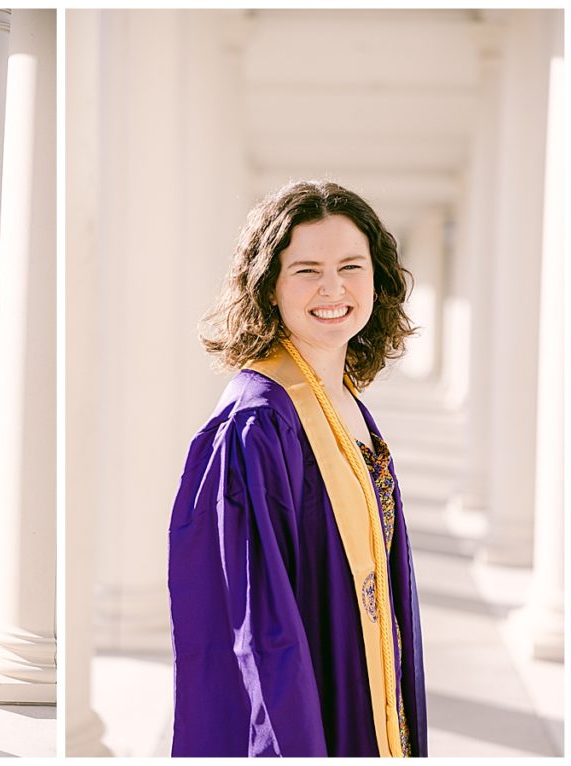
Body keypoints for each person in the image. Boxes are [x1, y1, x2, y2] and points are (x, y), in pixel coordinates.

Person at [168, 180, 427, 756]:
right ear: (270, 286)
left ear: (377, 278)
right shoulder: (258, 424)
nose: (333, 288)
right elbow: (259, 635)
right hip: (314, 713)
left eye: (351, 266)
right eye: (307, 270)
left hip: (370, 689)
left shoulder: (344, 399)